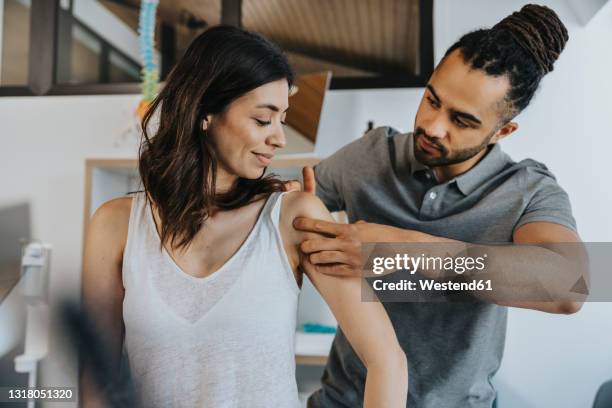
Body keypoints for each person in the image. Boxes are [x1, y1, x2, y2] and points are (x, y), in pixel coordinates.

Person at [81, 26, 407, 408]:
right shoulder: (115, 225)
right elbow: (95, 380)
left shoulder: (294, 218)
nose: (280, 139)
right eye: (263, 119)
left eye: (281, 120)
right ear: (205, 112)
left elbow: (387, 361)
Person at [293, 5, 587, 408]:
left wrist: (401, 249)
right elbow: (288, 204)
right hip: (343, 400)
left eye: (461, 120)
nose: (432, 126)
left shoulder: (526, 192)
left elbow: (570, 285)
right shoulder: (372, 155)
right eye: (431, 99)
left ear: (503, 131)